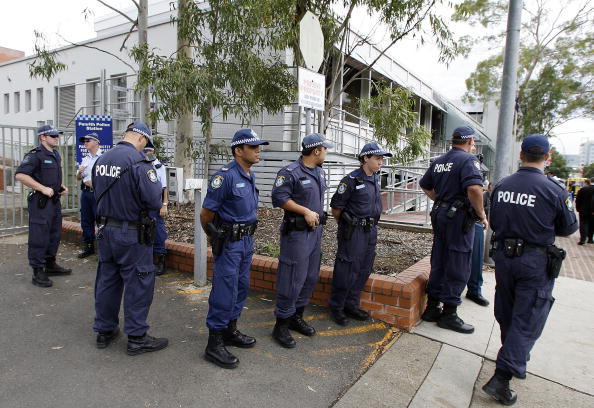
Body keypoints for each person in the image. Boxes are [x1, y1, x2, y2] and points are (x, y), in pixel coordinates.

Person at [482, 134, 578, 405]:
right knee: (528, 318)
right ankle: (503, 376)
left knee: (508, 312)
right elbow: (569, 228)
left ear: (521, 155)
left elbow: (495, 219)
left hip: (505, 259)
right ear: (547, 157)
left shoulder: (502, 185)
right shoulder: (555, 190)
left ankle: (513, 356)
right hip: (534, 262)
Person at [91, 121, 168, 355]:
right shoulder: (139, 163)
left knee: (108, 279)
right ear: (142, 139)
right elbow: (155, 201)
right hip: (131, 233)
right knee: (139, 282)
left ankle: (105, 330)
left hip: (105, 230)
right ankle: (137, 337)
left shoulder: (101, 160)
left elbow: (95, 190)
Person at [200, 129, 268, 369]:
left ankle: (230, 330)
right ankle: (214, 342)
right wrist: (214, 237)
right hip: (229, 243)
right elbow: (206, 214)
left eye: (259, 146)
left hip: (246, 242)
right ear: (239, 150)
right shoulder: (224, 177)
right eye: (254, 146)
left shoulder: (250, 175)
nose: (259, 149)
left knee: (241, 287)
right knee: (224, 289)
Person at [419, 125, 488, 334]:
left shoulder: (440, 161)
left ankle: (432, 308)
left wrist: (440, 200)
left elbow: (425, 185)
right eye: (473, 142)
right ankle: (449, 314)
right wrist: (481, 214)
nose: (474, 145)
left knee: (439, 259)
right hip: (458, 218)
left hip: (440, 214)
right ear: (469, 141)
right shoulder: (468, 160)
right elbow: (475, 188)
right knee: (458, 261)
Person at [271, 133, 332, 348]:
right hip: (296, 235)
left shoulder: (320, 172)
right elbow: (278, 198)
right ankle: (281, 324)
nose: (326, 152)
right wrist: (305, 210)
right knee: (292, 278)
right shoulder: (290, 172)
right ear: (316, 151)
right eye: (325, 149)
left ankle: (296, 316)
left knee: (310, 277)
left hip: (315, 233)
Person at [328, 142, 392, 326]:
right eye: (378, 158)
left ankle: (351, 304)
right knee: (347, 268)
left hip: (370, 231)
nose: (381, 162)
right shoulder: (351, 180)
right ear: (366, 158)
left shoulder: (375, 178)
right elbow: (336, 208)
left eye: (382, 159)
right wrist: (348, 224)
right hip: (353, 231)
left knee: (364, 268)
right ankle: (337, 306)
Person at [15, 125, 72, 287]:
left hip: (53, 201)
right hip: (40, 202)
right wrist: (41, 188)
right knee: (39, 235)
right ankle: (38, 270)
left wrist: (59, 188)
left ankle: (50, 264)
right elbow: (20, 175)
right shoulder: (35, 155)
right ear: (42, 137)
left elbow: (50, 178)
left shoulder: (55, 154)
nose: (56, 138)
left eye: (57, 136)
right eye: (53, 136)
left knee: (54, 234)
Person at [76, 132, 102, 258]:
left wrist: (95, 184)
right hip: (86, 192)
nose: (85, 143)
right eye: (84, 141)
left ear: (96, 142)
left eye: (88, 140)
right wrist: (80, 173)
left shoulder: (103, 157)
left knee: (101, 220)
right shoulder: (85, 159)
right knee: (86, 220)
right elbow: (78, 177)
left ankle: (103, 248)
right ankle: (89, 246)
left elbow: (107, 179)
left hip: (97, 194)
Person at [143, 146, 169, 274]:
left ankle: (160, 259)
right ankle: (148, 260)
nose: (148, 153)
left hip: (156, 203)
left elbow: (164, 187)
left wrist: (164, 204)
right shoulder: (141, 165)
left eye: (150, 151)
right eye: (145, 151)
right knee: (145, 230)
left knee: (158, 231)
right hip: (144, 204)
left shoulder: (159, 167)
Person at [575, 178, 594, 245]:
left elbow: (578, 200)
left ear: (590, 181)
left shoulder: (583, 189)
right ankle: (590, 239)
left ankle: (583, 239)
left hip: (583, 210)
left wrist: (578, 208)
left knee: (583, 224)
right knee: (592, 225)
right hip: (593, 211)